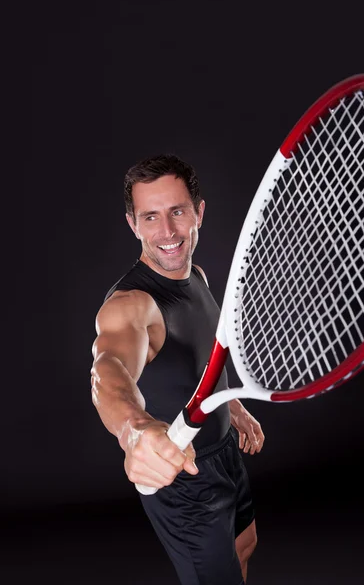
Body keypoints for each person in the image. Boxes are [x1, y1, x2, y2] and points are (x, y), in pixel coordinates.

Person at [90, 153, 265, 585]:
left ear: (199, 213)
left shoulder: (198, 277)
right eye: (150, 217)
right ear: (133, 224)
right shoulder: (132, 304)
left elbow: (202, 357)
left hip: (224, 453)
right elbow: (108, 367)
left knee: (244, 547)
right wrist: (134, 431)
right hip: (183, 474)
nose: (167, 232)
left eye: (177, 212)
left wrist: (235, 408)